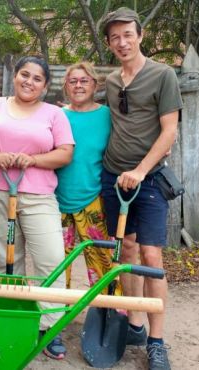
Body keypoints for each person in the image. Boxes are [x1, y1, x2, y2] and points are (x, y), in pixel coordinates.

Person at [0, 56, 74, 360]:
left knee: (51, 260)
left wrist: (34, 160)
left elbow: (65, 153)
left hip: (39, 196)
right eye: (24, 75)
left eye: (37, 78)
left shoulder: (54, 114)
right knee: (8, 263)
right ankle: (12, 321)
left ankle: (48, 326)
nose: (29, 81)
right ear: (14, 76)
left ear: (45, 85)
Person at [100, 7, 183, 370]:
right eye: (115, 37)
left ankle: (157, 340)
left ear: (140, 35)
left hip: (147, 180)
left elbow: (169, 132)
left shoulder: (163, 75)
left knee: (151, 256)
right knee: (126, 251)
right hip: (112, 179)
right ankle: (134, 324)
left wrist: (140, 170)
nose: (122, 42)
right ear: (109, 43)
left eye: (127, 34)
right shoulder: (112, 81)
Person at [55, 62, 120, 294]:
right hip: (55, 200)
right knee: (56, 264)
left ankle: (108, 310)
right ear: (66, 86)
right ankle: (54, 314)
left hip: (93, 200)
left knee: (103, 261)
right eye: (73, 81)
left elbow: (132, 138)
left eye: (84, 81)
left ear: (95, 84)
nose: (79, 85)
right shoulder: (56, 116)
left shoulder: (108, 117)